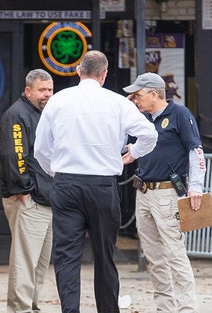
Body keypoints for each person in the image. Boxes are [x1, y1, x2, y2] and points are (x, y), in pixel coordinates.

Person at [34, 50, 158, 313]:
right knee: (105, 256)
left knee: (66, 257)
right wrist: (132, 154)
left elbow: (41, 150)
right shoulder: (117, 103)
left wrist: (56, 174)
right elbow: (149, 134)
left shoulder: (58, 101)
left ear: (79, 71)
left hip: (67, 184)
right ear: (104, 75)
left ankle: (70, 310)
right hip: (102, 185)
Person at [124, 72, 206, 313]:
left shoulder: (179, 114)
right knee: (154, 256)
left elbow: (196, 150)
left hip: (168, 193)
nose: (136, 100)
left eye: (138, 95)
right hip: (144, 193)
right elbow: (126, 145)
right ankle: (165, 308)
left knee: (174, 253)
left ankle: (187, 308)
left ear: (153, 93)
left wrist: (196, 188)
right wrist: (127, 112)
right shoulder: (141, 119)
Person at [0, 68, 54, 313]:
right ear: (28, 90)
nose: (47, 95)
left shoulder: (44, 113)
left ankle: (32, 306)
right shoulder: (17, 114)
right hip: (28, 199)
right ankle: (19, 309)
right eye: (42, 90)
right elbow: (14, 154)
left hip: (47, 198)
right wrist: (23, 189)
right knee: (24, 261)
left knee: (40, 263)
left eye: (50, 90)